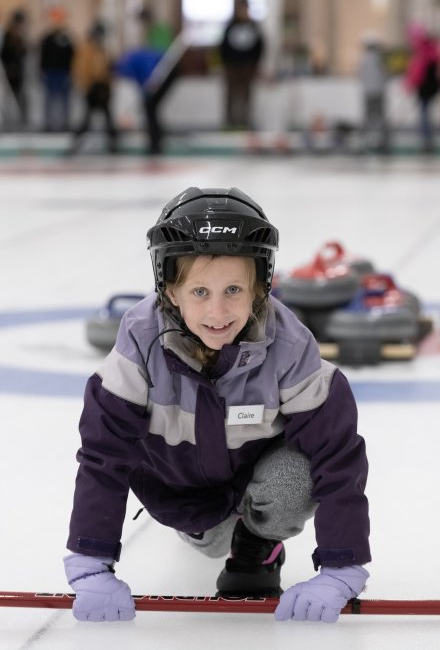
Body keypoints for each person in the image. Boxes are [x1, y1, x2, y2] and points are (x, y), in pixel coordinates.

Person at [63, 186, 371, 623]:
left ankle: (257, 548)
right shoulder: (139, 342)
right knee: (208, 539)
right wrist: (91, 561)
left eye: (233, 289)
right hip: (178, 489)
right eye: (200, 292)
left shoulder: (289, 345)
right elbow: (103, 454)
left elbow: (336, 454)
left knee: (295, 476)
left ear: (260, 287)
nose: (218, 311)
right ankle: (205, 530)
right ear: (170, 290)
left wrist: (342, 565)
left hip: (254, 478)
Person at [69, 21, 117, 153]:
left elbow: (107, 71)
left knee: (107, 118)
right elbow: (81, 71)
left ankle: (113, 143)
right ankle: (76, 144)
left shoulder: (103, 51)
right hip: (92, 89)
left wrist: (108, 87)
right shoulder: (86, 51)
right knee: (87, 119)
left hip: (102, 89)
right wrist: (86, 87)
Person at [219, 0, 264, 129]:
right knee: (231, 95)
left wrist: (255, 64)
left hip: (248, 67)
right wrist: (225, 63)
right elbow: (223, 47)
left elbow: (260, 46)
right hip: (232, 66)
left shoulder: (253, 27)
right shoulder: (231, 26)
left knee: (246, 95)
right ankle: (230, 122)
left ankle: (244, 121)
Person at [403, 23, 440, 153]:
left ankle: (427, 141)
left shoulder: (423, 52)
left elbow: (417, 72)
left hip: (425, 88)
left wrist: (409, 84)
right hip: (429, 87)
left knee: (424, 114)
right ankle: (427, 140)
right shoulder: (430, 50)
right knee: (426, 113)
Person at [39, 6, 75, 131]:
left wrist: (71, 73)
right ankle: (48, 124)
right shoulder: (47, 38)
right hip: (50, 72)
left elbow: (72, 56)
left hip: (64, 72)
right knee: (49, 99)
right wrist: (42, 71)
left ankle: (65, 123)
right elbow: (43, 56)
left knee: (64, 100)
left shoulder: (67, 39)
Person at [358, 32, 390, 153]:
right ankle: (383, 142)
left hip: (368, 93)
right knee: (381, 118)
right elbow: (385, 75)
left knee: (367, 118)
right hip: (379, 92)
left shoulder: (363, 59)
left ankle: (364, 142)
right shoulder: (380, 58)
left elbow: (361, 76)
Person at [0, 9, 28, 125]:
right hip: (9, 70)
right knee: (7, 96)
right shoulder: (8, 35)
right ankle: (9, 120)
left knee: (19, 96)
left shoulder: (21, 35)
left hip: (19, 71)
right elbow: (5, 53)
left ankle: (19, 120)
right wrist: (9, 66)